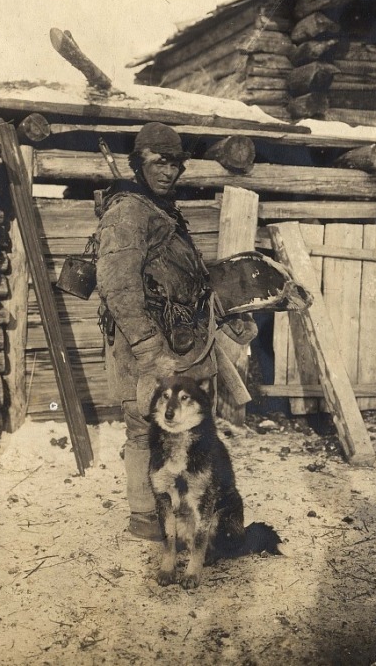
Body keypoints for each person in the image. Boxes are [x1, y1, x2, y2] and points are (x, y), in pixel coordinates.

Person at [95, 122, 257, 540]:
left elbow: (191, 281)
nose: (168, 172)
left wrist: (229, 314)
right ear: (138, 164)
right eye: (158, 163)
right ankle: (146, 518)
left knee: (186, 428)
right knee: (143, 425)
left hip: (181, 346)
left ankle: (183, 511)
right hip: (145, 347)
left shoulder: (161, 211)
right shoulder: (128, 211)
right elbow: (118, 285)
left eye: (175, 165)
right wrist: (150, 350)